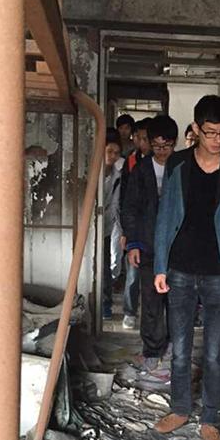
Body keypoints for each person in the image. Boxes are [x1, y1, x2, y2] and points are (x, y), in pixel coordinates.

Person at [153, 95, 220, 440]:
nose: (217, 140)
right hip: (180, 268)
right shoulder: (178, 163)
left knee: (213, 353)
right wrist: (160, 266)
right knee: (180, 348)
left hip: (219, 273)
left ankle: (210, 418)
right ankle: (180, 408)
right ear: (196, 129)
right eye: (210, 132)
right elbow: (165, 217)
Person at [123, 115, 178, 368]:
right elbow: (130, 208)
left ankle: (176, 349)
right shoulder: (141, 169)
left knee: (177, 302)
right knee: (151, 301)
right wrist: (133, 243)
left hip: (177, 249)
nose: (162, 151)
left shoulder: (182, 167)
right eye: (157, 146)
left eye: (167, 146)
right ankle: (152, 351)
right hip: (147, 245)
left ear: (174, 143)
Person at [119, 118, 152, 329]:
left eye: (145, 138)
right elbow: (125, 199)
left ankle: (150, 317)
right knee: (132, 274)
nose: (141, 142)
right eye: (138, 137)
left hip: (154, 229)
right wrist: (125, 231)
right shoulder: (130, 161)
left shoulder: (165, 163)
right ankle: (129, 312)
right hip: (134, 228)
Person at [102, 135, 123, 320]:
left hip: (107, 226)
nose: (113, 156)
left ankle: (105, 304)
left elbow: (117, 205)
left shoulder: (118, 176)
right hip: (91, 227)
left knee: (105, 266)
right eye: (109, 151)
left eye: (116, 153)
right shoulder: (93, 172)